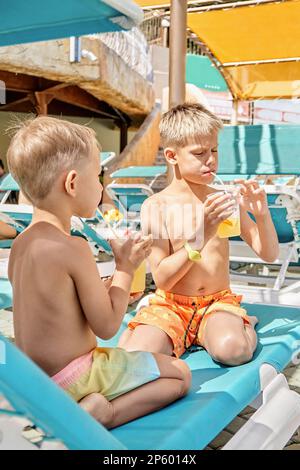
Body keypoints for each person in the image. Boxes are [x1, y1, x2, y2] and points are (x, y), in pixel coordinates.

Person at [6, 116, 191, 429]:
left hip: (38, 382)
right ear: (73, 183)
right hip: (79, 376)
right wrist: (125, 268)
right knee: (179, 375)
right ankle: (105, 413)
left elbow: (53, 310)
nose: (102, 187)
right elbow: (106, 326)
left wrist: (101, 288)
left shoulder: (21, 244)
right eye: (99, 177)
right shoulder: (73, 247)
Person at [118, 103, 279, 366]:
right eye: (200, 153)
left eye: (214, 150)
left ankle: (243, 322)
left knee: (233, 351)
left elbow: (269, 254)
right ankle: (156, 329)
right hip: (171, 304)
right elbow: (163, 279)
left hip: (217, 303)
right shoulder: (156, 206)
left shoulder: (223, 200)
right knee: (135, 358)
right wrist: (202, 232)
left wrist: (261, 215)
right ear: (172, 156)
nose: (211, 159)